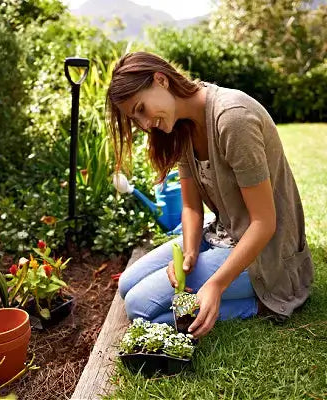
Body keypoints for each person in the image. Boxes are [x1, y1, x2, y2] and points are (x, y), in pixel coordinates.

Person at [106, 51, 314, 339]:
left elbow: (265, 222)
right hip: (222, 234)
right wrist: (190, 253)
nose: (143, 124)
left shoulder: (232, 119)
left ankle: (263, 302)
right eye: (134, 118)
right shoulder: (180, 126)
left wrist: (215, 286)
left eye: (141, 109)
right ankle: (217, 292)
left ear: (161, 80)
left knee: (140, 307)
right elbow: (191, 208)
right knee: (127, 284)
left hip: (266, 254)